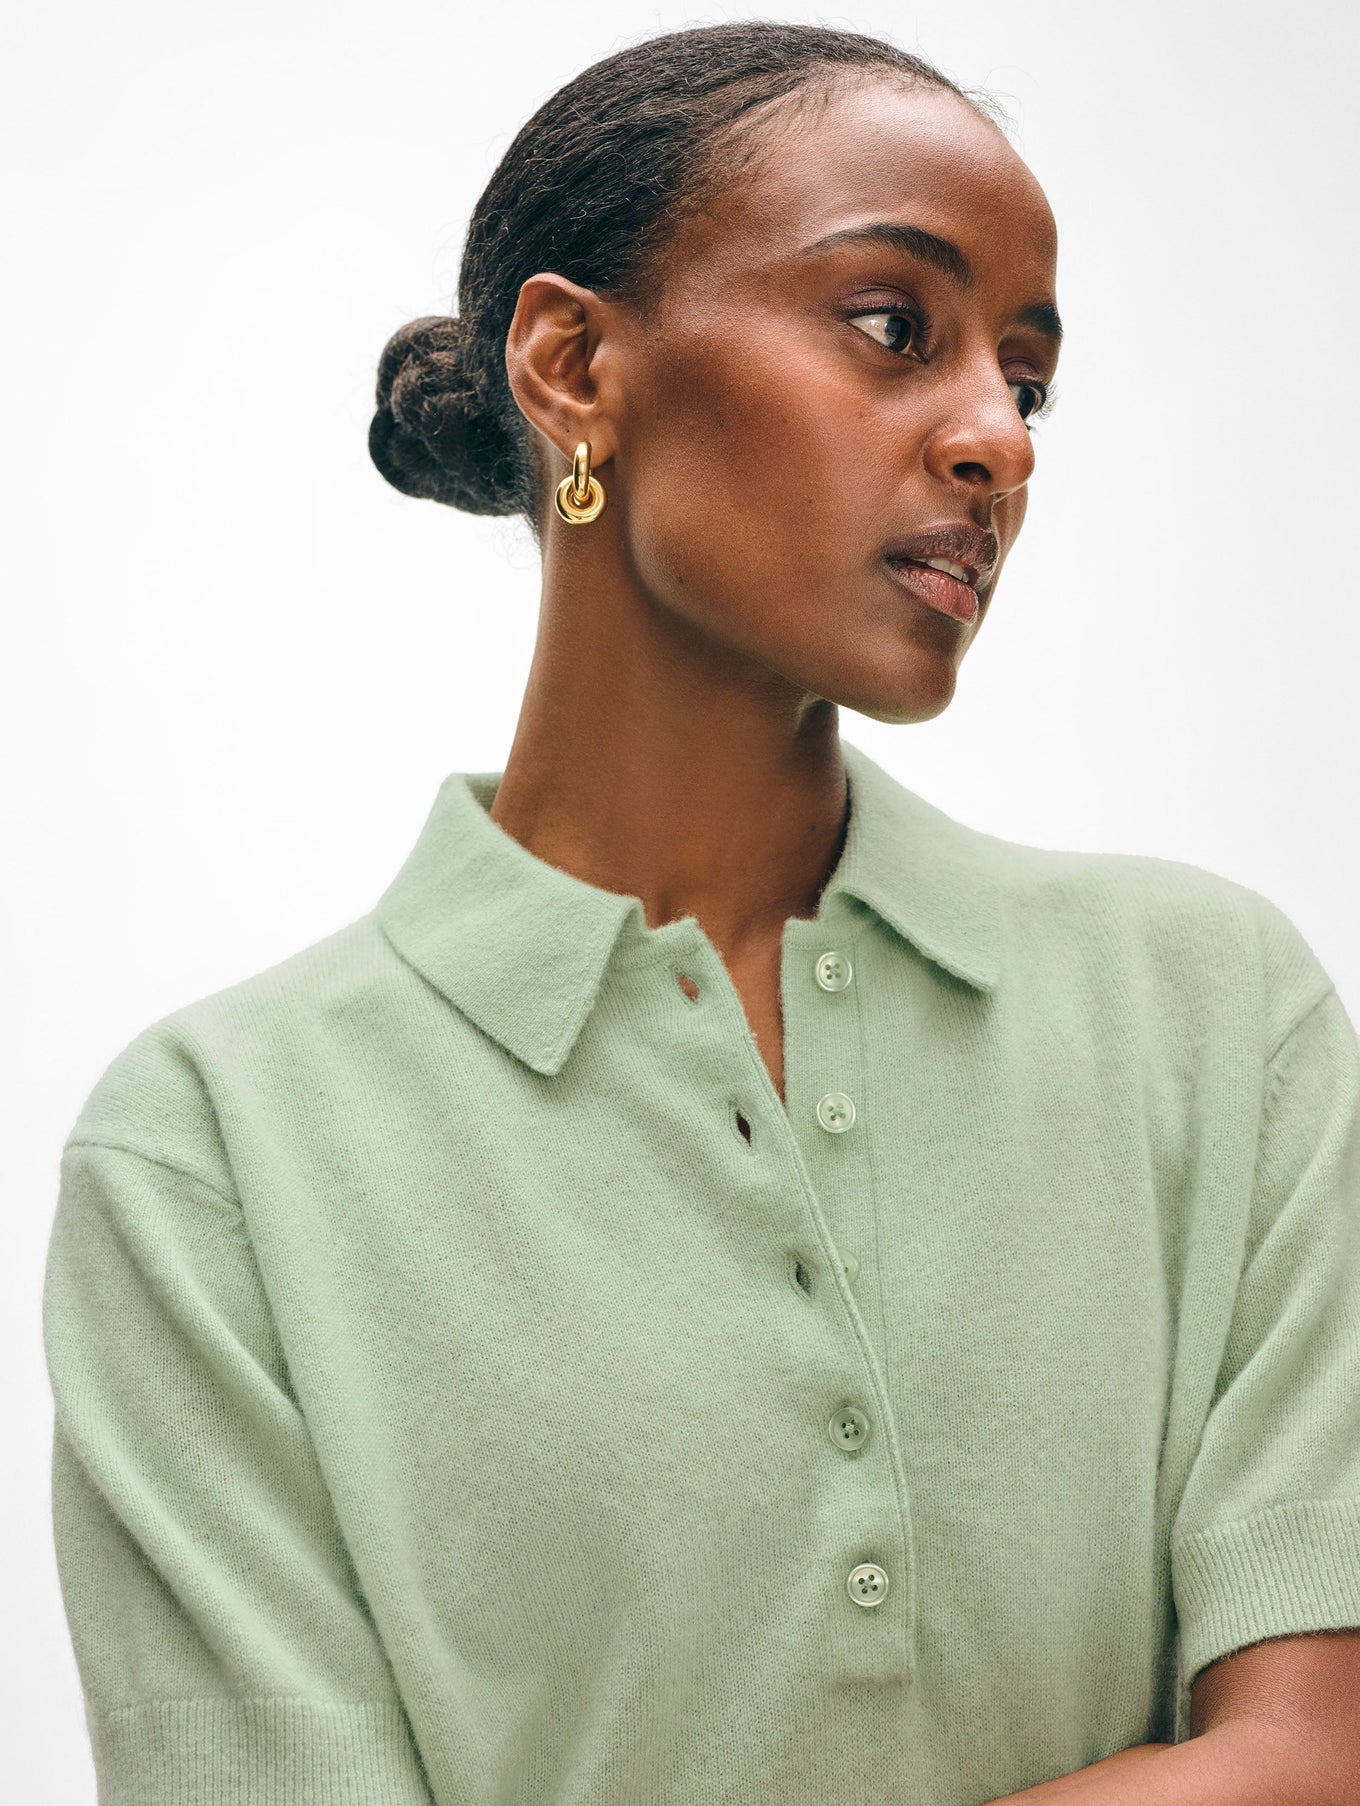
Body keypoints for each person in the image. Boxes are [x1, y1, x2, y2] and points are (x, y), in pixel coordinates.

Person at [42, 20, 1360, 1806]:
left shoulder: (1220, 1019)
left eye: (1026, 381)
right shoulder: (213, 1160)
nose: (996, 439)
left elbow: (1316, 1751)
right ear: (575, 364)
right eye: (895, 326)